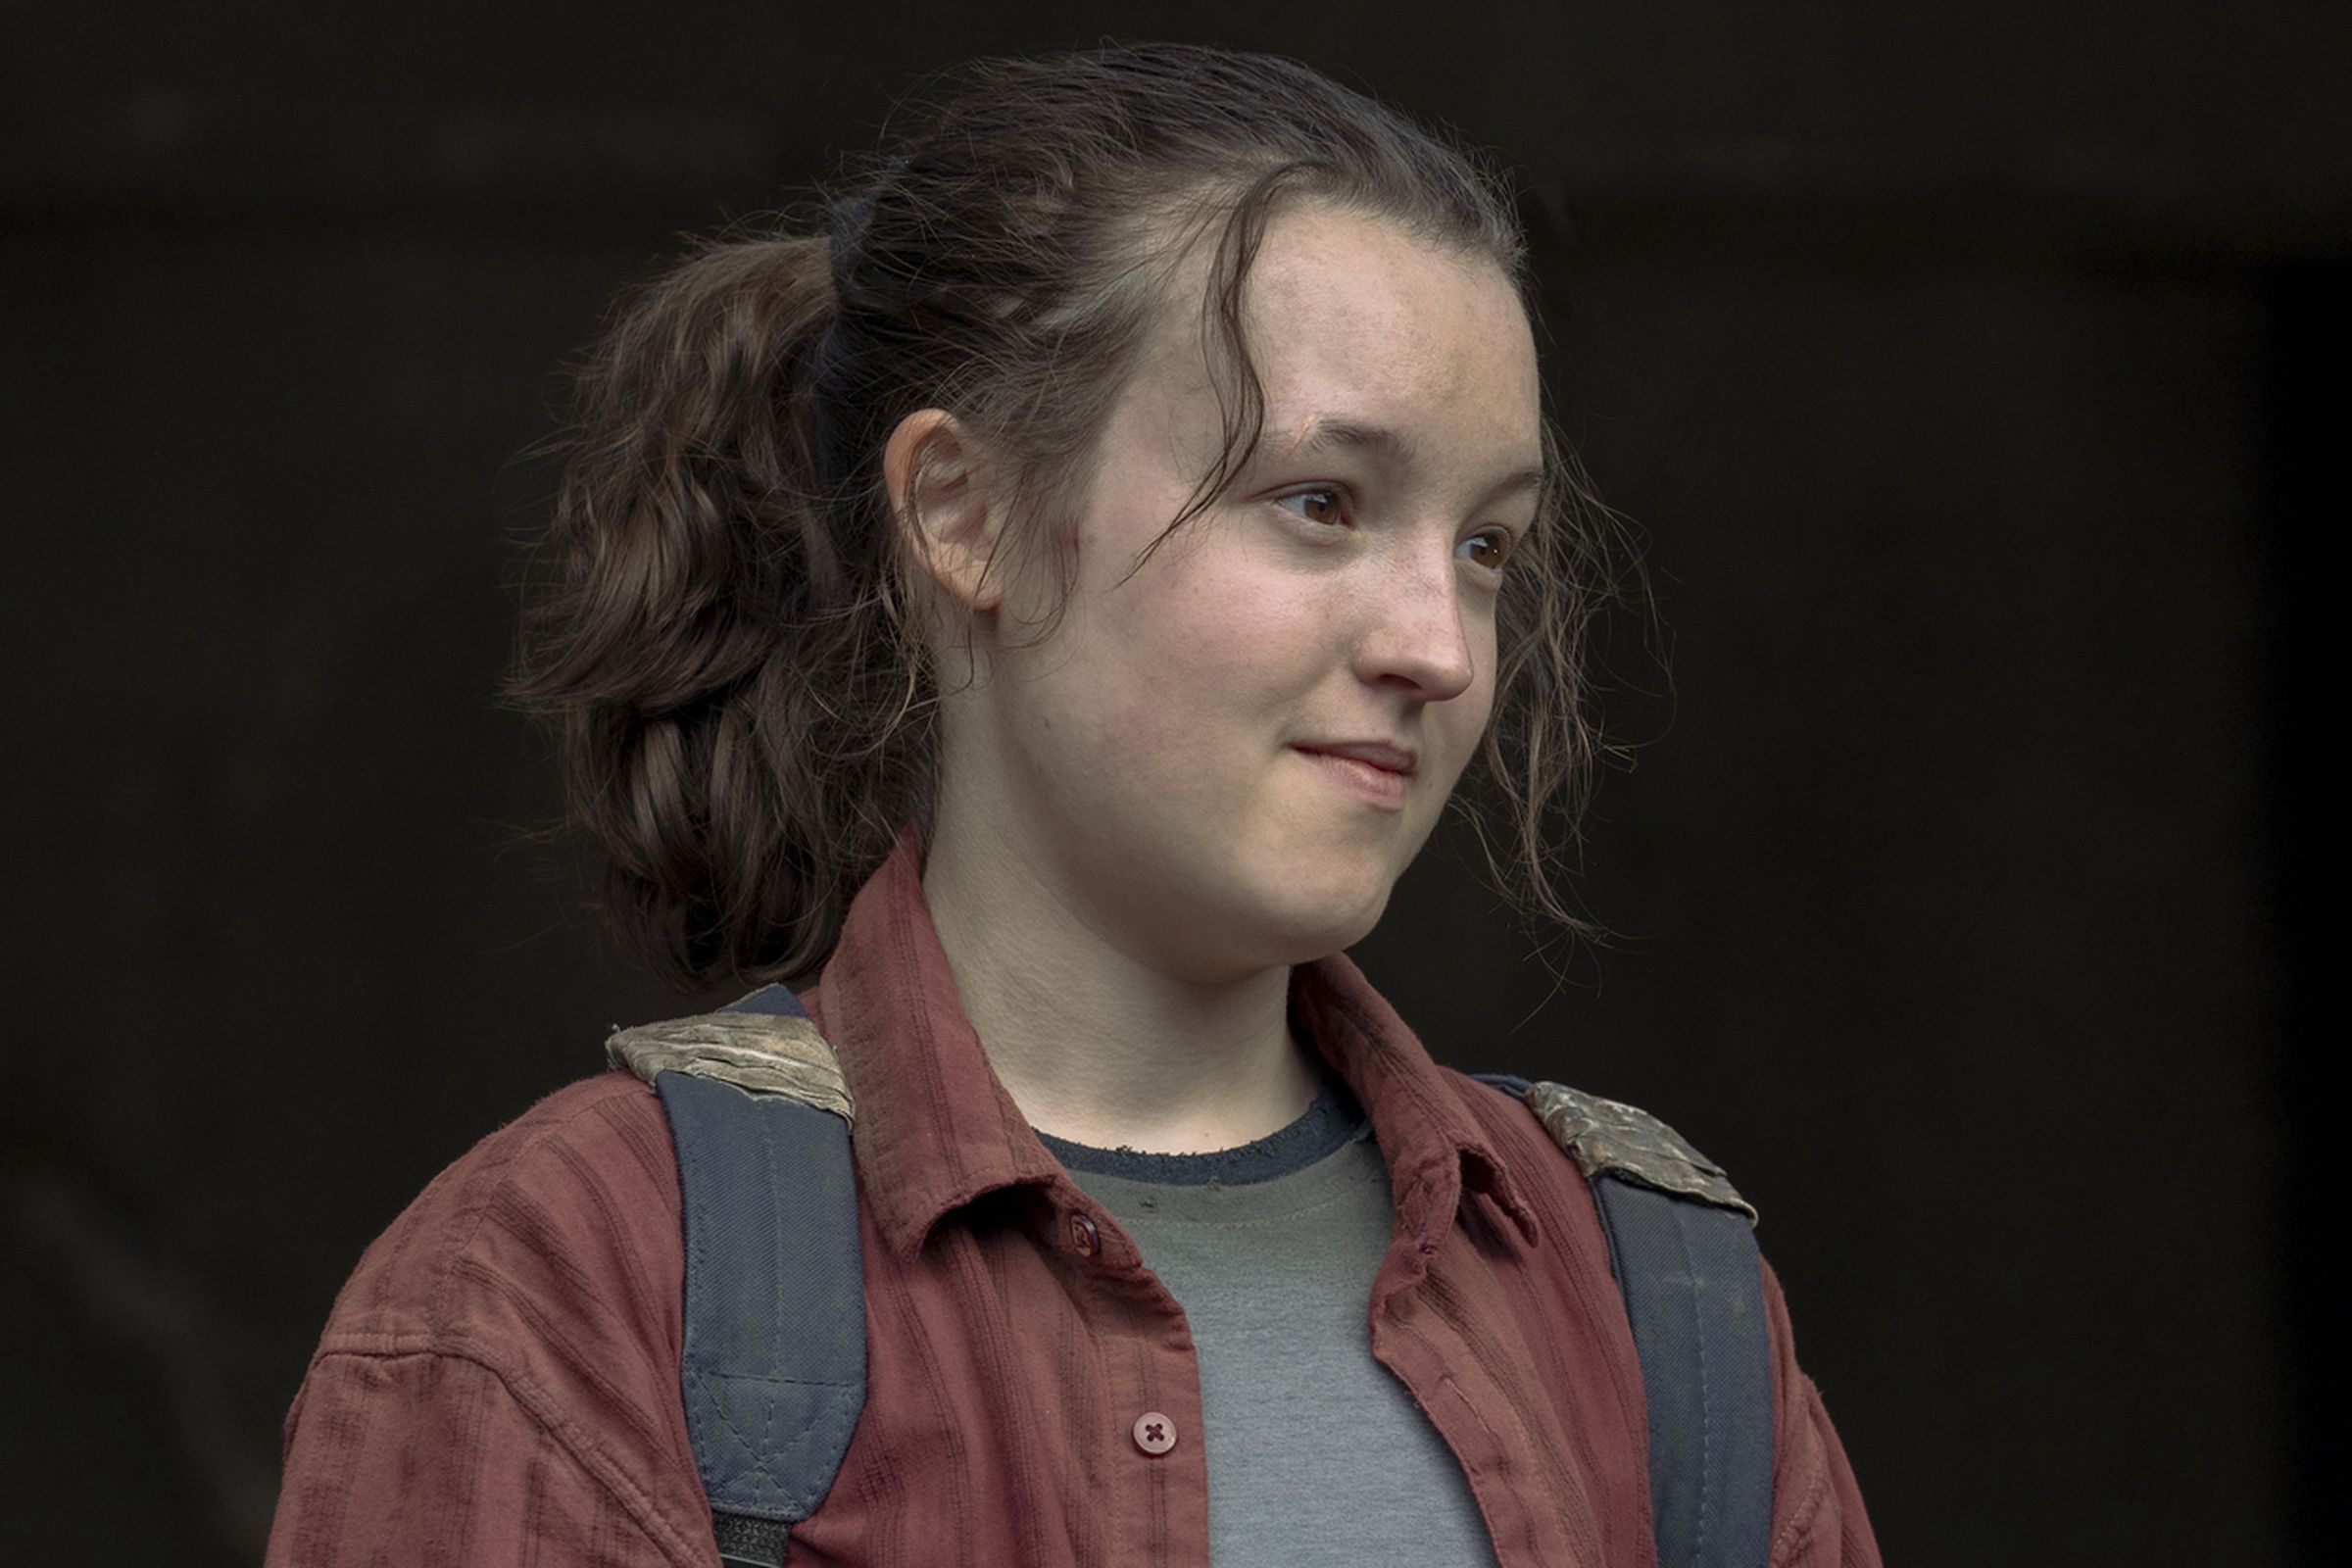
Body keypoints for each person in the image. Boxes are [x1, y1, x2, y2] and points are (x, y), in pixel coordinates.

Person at [266, 41, 1879, 1568]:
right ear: (963, 514)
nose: (1441, 647)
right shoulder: (581, 1280)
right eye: (1319, 504)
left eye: (1488, 545)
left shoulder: (1653, 1295)